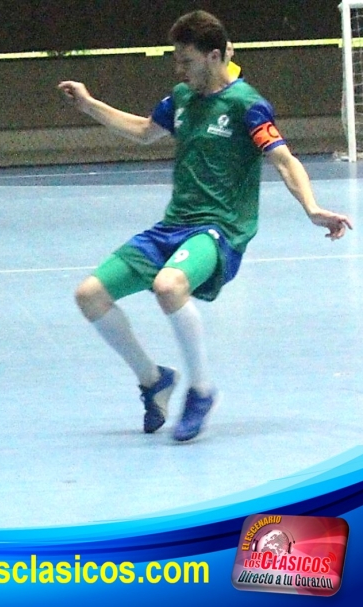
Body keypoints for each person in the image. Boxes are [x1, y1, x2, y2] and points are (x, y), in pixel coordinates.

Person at [58, 10, 352, 442]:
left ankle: (200, 389)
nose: (180, 70)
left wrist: (312, 208)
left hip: (219, 230)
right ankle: (153, 379)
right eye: (177, 62)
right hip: (173, 226)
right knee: (90, 295)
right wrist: (88, 104)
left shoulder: (246, 104)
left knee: (169, 286)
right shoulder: (180, 98)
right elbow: (143, 131)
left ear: (214, 57)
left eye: (187, 62)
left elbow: (284, 160)